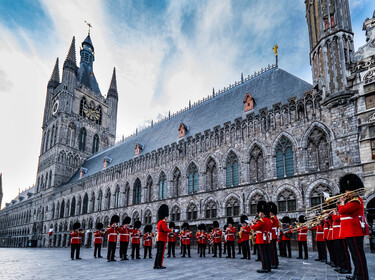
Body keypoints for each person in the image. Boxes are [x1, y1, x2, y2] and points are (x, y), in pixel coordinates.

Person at [338, 174, 369, 280]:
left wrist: (342, 202)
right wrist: (343, 202)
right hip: (350, 231)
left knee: (358, 255)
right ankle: (357, 274)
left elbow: (342, 210)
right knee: (355, 255)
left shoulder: (356, 200)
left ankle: (362, 276)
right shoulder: (350, 200)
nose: (345, 193)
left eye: (346, 191)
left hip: (354, 230)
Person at [251, 201, 272, 273]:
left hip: (261, 239)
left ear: (262, 213)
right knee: (267, 253)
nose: (259, 214)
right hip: (267, 238)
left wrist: (252, 224)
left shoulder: (261, 221)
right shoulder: (269, 220)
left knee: (263, 254)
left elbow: (254, 228)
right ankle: (268, 267)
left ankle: (264, 267)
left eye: (259, 213)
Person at [332, 208, 352, 274]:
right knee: (339, 252)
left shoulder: (342, 211)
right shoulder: (339, 212)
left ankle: (347, 267)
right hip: (337, 234)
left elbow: (336, 219)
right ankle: (342, 266)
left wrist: (334, 213)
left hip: (341, 234)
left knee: (344, 252)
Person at [154, 204, 172, 269]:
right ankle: (159, 265)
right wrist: (171, 230)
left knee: (158, 252)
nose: (167, 217)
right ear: (164, 216)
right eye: (166, 216)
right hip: (162, 238)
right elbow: (165, 229)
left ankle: (156, 265)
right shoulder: (163, 222)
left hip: (159, 238)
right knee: (161, 253)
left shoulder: (159, 222)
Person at [268, 202, 279, 268]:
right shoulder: (273, 217)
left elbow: (269, 224)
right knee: (272, 250)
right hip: (272, 234)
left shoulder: (273, 218)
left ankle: (274, 263)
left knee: (273, 250)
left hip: (272, 235)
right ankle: (274, 262)